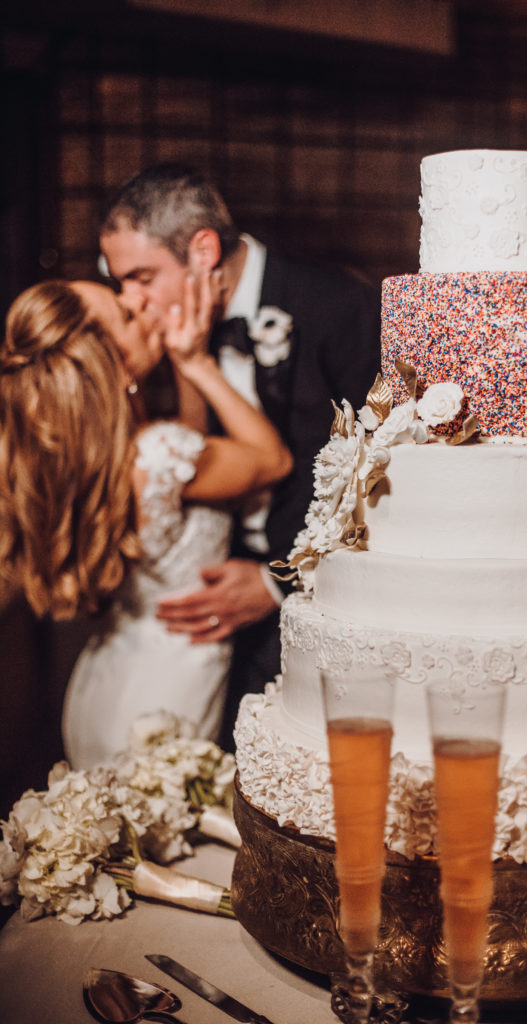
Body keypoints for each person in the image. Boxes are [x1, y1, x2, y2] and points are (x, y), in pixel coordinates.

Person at [99, 163, 381, 750]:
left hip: (318, 607)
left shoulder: (336, 304)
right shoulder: (150, 345)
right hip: (205, 623)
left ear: (203, 250)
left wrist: (280, 580)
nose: (130, 298)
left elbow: (384, 471)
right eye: (120, 281)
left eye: (141, 276)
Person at [0, 277, 292, 769]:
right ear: (114, 369)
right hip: (168, 694)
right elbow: (271, 460)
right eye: (127, 314)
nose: (138, 300)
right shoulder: (160, 454)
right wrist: (197, 363)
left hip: (107, 680)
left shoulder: (85, 456)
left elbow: (192, 454)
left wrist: (180, 363)